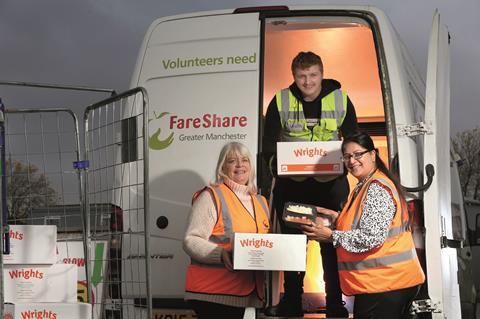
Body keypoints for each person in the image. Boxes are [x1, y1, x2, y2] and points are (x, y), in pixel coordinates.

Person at [263, 51, 357, 317]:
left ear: (321, 74)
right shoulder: (280, 100)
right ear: (294, 76)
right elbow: (268, 143)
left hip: (331, 187)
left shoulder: (341, 99)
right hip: (293, 186)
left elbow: (353, 138)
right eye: (302, 76)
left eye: (313, 75)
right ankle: (292, 302)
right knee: (294, 246)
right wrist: (275, 168)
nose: (308, 82)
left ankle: (335, 304)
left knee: (331, 245)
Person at [302, 131, 425, 319]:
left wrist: (331, 236)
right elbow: (363, 223)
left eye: (358, 154)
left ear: (373, 154)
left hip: (385, 285)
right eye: (347, 156)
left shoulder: (376, 188)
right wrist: (336, 218)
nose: (352, 161)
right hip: (383, 284)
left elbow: (371, 237)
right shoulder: (365, 185)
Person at [183, 141, 270, 319]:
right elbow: (191, 240)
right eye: (232, 161)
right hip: (213, 292)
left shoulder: (261, 201)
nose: (240, 165)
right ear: (223, 167)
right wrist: (220, 254)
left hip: (244, 292)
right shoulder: (211, 196)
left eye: (245, 160)